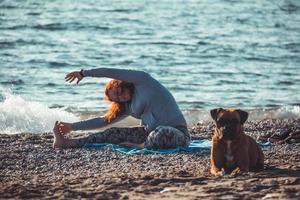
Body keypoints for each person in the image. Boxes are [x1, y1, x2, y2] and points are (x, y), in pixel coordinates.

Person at [53, 68, 190, 150]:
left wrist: (84, 73)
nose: (121, 97)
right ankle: (66, 143)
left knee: (162, 131)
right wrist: (72, 127)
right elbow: (103, 121)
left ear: (121, 83)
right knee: (112, 132)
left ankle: (141, 146)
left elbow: (111, 72)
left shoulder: (143, 80)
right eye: (117, 99)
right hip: (149, 134)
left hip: (178, 134)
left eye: (118, 91)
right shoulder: (127, 106)